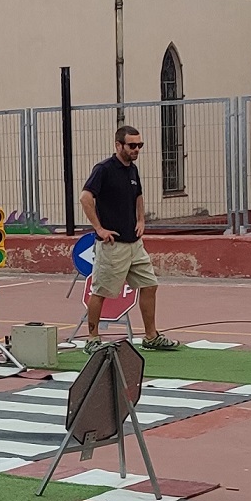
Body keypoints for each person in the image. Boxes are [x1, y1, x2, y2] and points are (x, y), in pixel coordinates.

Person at [79, 123, 180, 352]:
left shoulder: (133, 170)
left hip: (135, 244)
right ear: (118, 145)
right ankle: (92, 339)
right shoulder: (104, 169)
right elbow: (85, 198)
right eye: (132, 145)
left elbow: (138, 196)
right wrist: (99, 229)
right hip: (112, 245)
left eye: (140, 145)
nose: (136, 150)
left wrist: (141, 220)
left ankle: (151, 336)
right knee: (100, 291)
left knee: (150, 284)